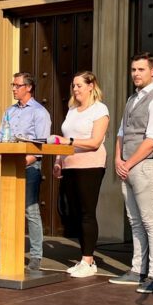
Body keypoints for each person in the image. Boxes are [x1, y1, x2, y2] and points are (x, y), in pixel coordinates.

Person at [113, 52, 153, 293]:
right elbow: (121, 133)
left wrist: (129, 162)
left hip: (147, 166)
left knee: (151, 221)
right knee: (135, 221)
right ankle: (137, 270)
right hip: (127, 165)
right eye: (133, 70)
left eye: (141, 70)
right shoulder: (131, 99)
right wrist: (117, 159)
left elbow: (152, 139)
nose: (136, 74)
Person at [52, 71, 109, 278]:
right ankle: (85, 259)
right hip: (70, 165)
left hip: (90, 166)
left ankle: (88, 260)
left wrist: (69, 142)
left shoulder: (99, 109)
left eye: (79, 85)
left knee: (87, 212)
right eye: (73, 86)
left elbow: (94, 142)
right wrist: (59, 161)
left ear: (91, 85)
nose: (75, 89)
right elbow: (64, 139)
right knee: (74, 213)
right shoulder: (72, 111)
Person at [3, 72, 52, 271]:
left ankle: (36, 256)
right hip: (9, 166)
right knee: (9, 210)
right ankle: (9, 254)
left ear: (29, 87)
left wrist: (24, 161)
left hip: (30, 167)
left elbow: (41, 146)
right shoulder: (10, 111)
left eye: (17, 85)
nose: (14, 88)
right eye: (12, 85)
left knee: (30, 211)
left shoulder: (39, 112)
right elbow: (1, 137)